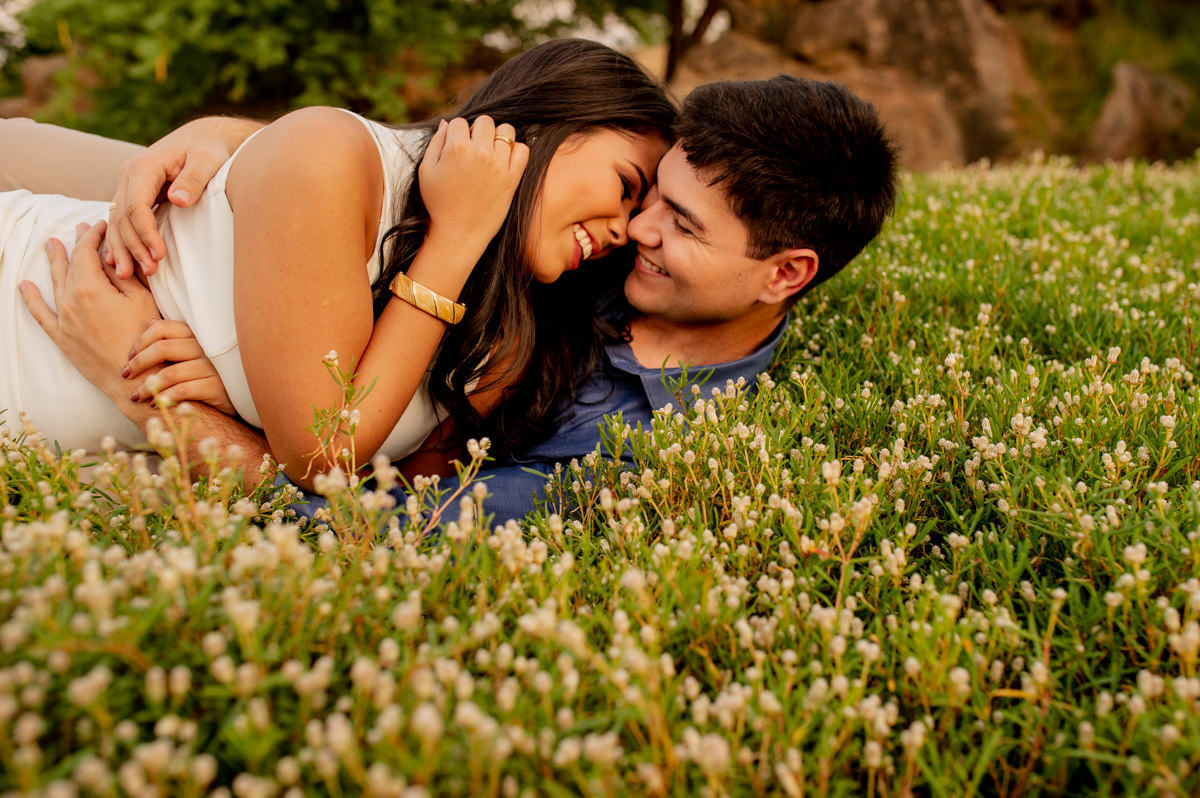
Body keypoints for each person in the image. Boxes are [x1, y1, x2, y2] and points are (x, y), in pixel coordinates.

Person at [8, 74, 897, 521]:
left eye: (684, 224)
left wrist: (166, 404)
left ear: (786, 273)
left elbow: (378, 528)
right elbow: (358, 182)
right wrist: (233, 144)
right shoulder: (590, 261)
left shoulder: (646, 443)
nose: (641, 230)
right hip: (67, 235)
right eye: (648, 192)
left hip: (85, 340)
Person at [0, 39, 674, 490]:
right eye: (625, 184)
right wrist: (458, 233)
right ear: (548, 121)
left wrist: (192, 411)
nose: (625, 231)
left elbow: (357, 492)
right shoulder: (331, 157)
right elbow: (327, 448)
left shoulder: (515, 335)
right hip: (27, 294)